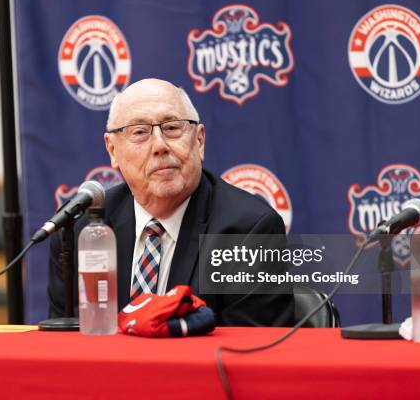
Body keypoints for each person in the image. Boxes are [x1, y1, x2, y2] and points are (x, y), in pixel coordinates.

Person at [48, 78, 294, 326]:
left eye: (172, 128)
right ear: (113, 150)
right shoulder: (80, 230)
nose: (159, 146)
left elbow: (248, 354)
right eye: (140, 132)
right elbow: (63, 346)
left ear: (199, 141)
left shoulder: (246, 230)